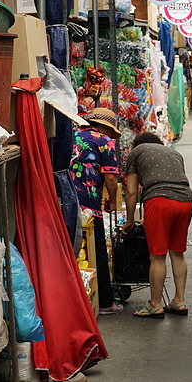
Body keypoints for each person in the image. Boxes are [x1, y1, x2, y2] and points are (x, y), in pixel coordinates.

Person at [122, 132, 192, 318]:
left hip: (160, 201)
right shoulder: (173, 152)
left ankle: (155, 304)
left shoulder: (137, 151)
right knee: (177, 253)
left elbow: (131, 192)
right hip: (186, 200)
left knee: (157, 256)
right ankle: (179, 300)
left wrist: (130, 220)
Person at [71, 107, 123, 315]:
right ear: (105, 127)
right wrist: (112, 200)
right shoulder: (104, 141)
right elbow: (110, 177)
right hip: (90, 202)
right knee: (97, 250)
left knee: (72, 248)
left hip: (66, 198)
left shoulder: (74, 136)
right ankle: (105, 302)